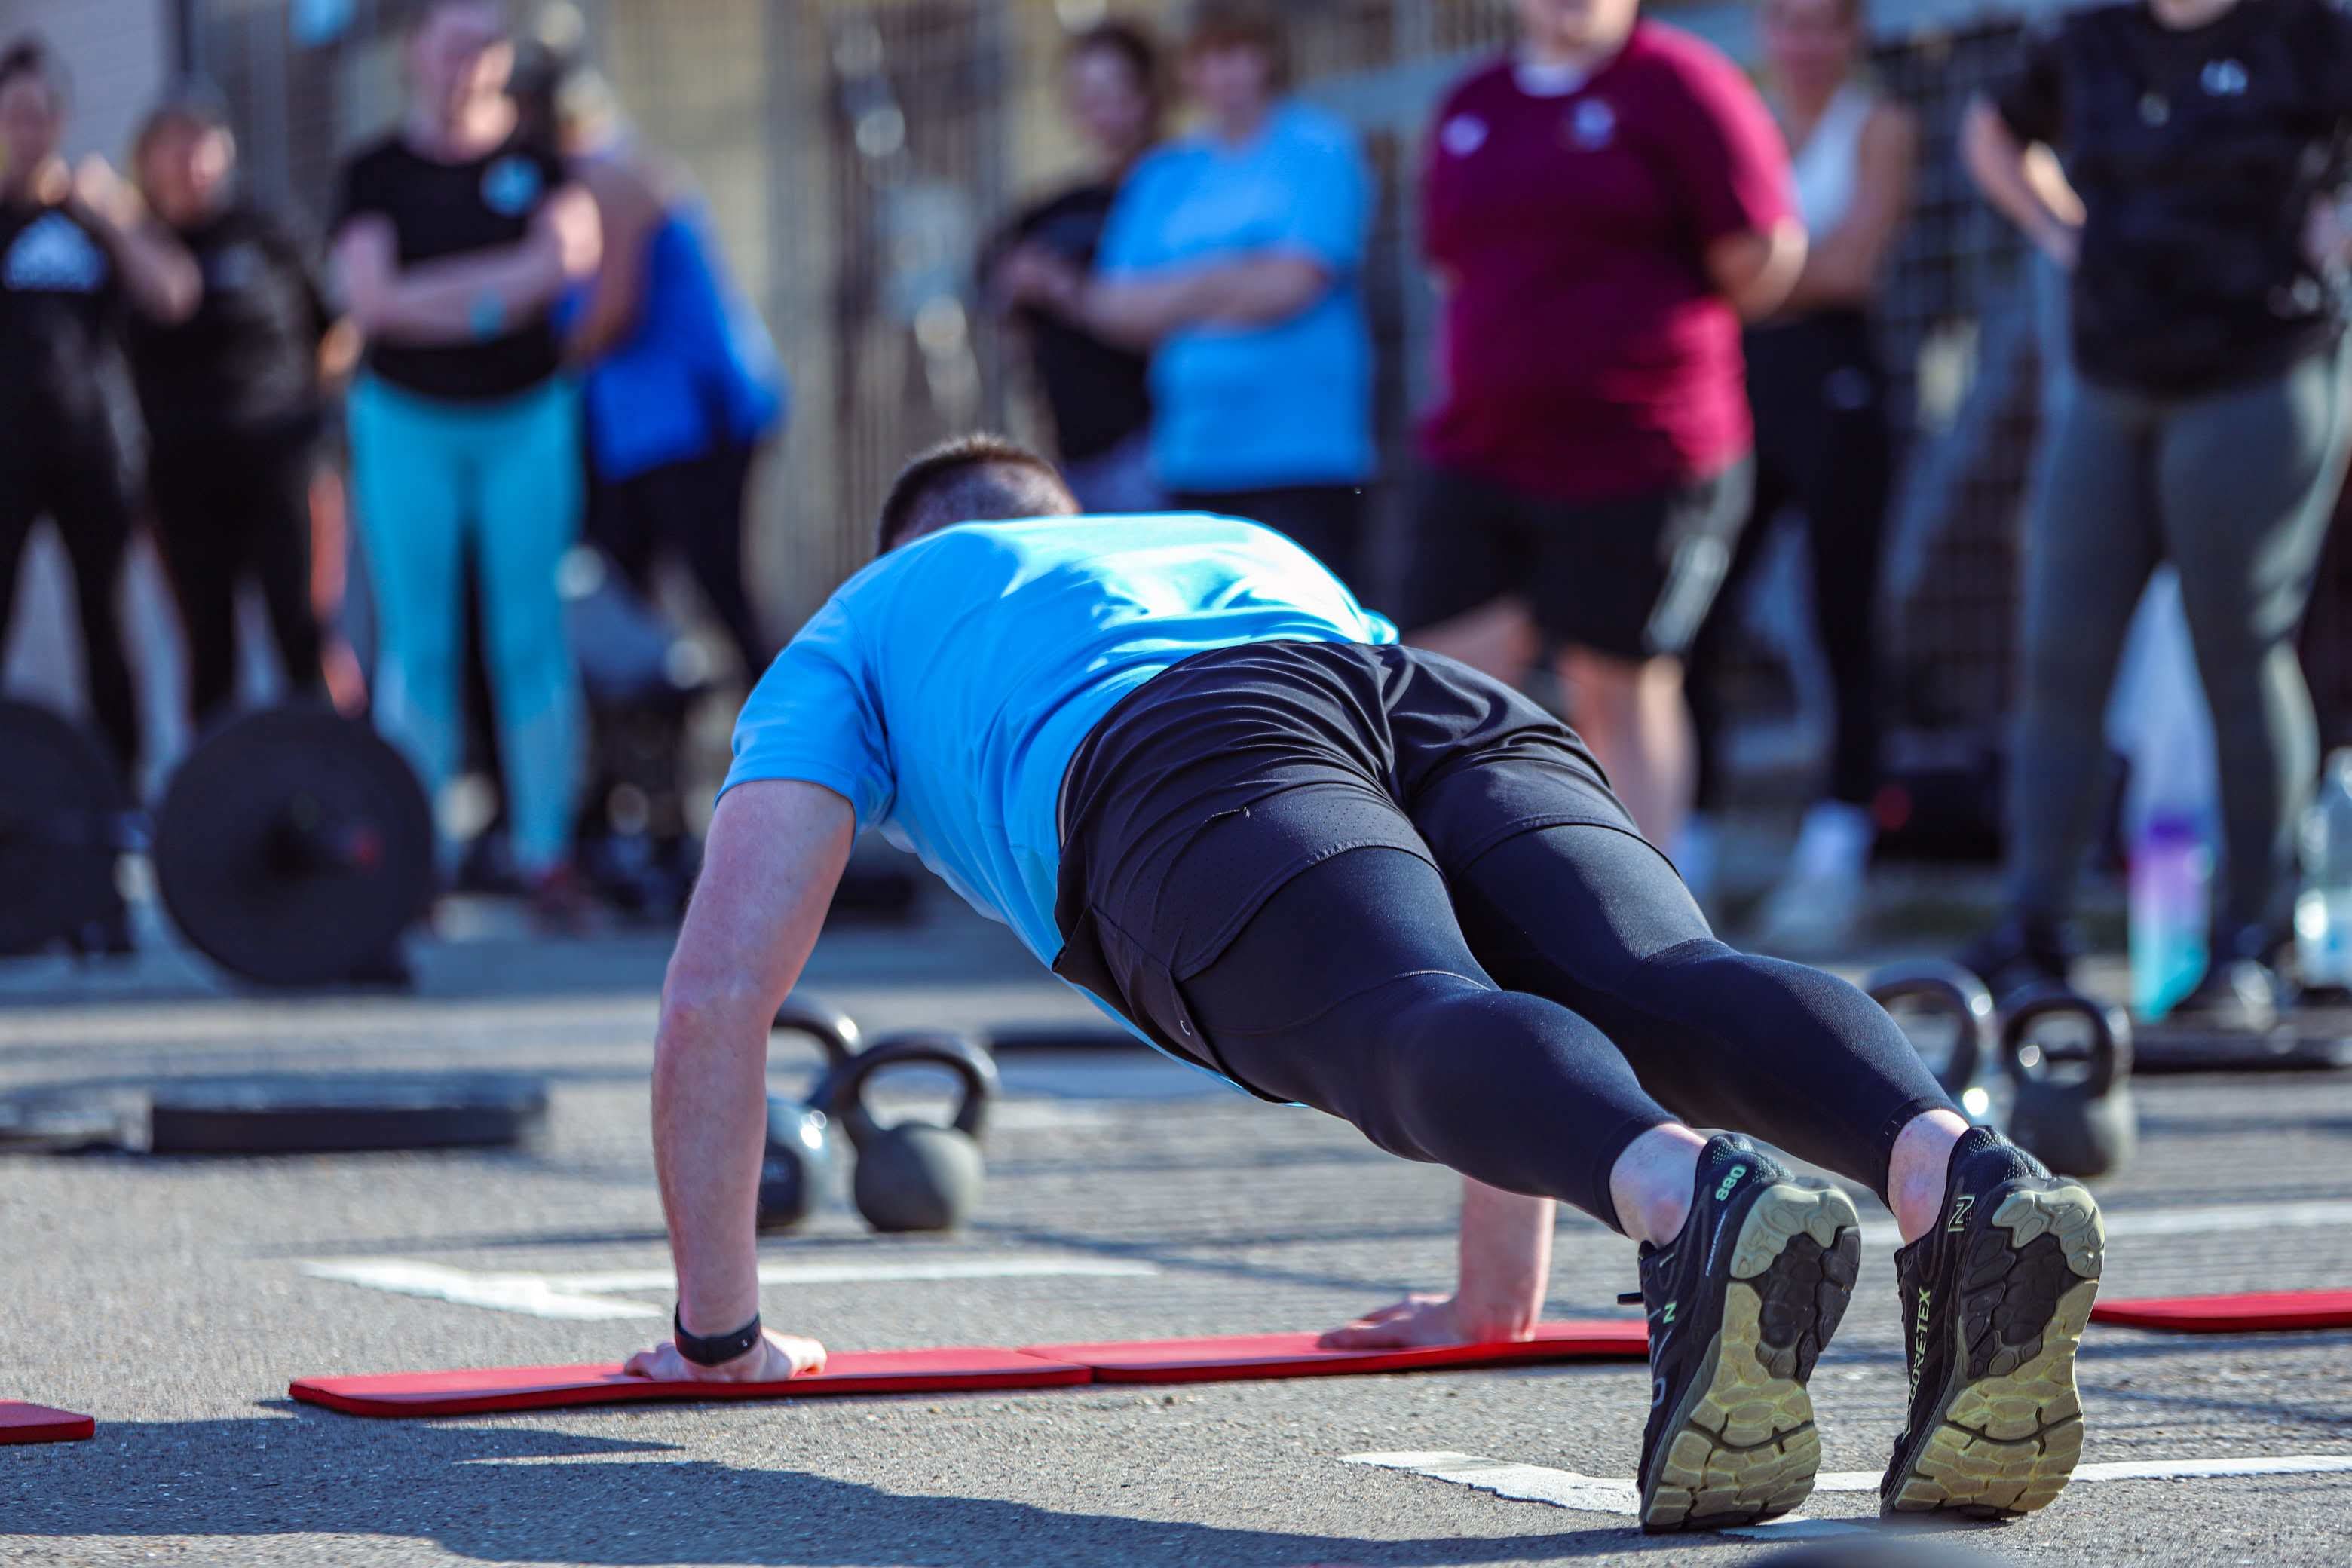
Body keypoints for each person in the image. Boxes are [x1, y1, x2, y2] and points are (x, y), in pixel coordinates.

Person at [621, 434, 2108, 1534]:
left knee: (1405, 1009)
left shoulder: (863, 618)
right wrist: (1490, 1293)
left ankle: (1684, 1191)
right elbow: (1474, 911)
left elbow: (718, 992)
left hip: (1180, 748)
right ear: (1064, 511)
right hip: (1434, 697)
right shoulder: (1213, 533)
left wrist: (716, 1338)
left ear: (901, 541)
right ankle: (1951, 1166)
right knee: (1665, 972)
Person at [1958, 0, 2352, 1023]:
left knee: (2241, 646)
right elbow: (1992, 131)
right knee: (2060, 651)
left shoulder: (2310, 30)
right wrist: (2054, 224)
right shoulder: (2093, 36)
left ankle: (2250, 941)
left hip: (2258, 373)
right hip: (2112, 376)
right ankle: (2031, 930)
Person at [1403, 0, 1805, 847]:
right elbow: (1448, 261)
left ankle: (1643, 922)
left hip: (1640, 449)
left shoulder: (1681, 83)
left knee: (1617, 681)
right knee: (1444, 682)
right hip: (1486, 444)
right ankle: (1469, 908)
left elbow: (1762, 257)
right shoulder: (1473, 103)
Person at [331, 0, 601, 923]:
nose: (467, 68)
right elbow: (373, 302)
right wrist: (496, 292)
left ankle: (544, 854)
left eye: (484, 50)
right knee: (422, 642)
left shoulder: (540, 156)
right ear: (415, 53)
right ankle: (419, 856)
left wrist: (436, 295)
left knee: (530, 637)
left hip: (526, 419)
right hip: (406, 421)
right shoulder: (375, 171)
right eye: (452, 48)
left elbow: (567, 262)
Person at [1684, 0, 1916, 946]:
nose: (1804, 44)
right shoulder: (1736, 111)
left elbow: (1853, 265)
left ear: (1852, 35)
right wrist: (1756, 274)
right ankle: (1686, 844)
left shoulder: (1882, 124)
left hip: (1836, 377)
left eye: (1823, 24)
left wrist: (1746, 274)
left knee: (1842, 616)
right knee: (1692, 611)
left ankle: (1837, 850)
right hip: (1733, 383)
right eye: (1787, 22)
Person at [1004, 5, 1375, 586]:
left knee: (1310, 657)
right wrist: (1239, 272)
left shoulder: (1318, 146)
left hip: (1303, 456)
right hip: (1192, 458)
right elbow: (1113, 306)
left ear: (1267, 59)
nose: (1224, 75)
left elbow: (1292, 284)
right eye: (1208, 59)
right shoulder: (1166, 174)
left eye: (1237, 55)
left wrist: (1176, 297)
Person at [527, 53, 786, 681]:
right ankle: (653, 742)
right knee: (620, 581)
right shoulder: (588, 179)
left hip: (697, 420)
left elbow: (612, 311)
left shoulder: (610, 176)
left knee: (720, 589)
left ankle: (803, 755)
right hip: (644, 433)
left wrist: (521, 363)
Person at [0, 37, 198, 784]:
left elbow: (175, 295)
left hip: (95, 451)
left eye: (41, 114)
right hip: (9, 452)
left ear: (63, 119)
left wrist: (111, 215)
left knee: (107, 626)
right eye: (15, 114)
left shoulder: (98, 215)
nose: (29, 128)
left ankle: (117, 794)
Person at [126, 88, 351, 733]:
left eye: (201, 143)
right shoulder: (136, 246)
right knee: (209, 650)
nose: (190, 162)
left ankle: (333, 783)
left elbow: (336, 330)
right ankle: (217, 807)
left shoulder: (267, 228)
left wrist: (316, 422)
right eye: (173, 146)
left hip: (282, 463)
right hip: (182, 477)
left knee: (305, 635)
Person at [985, 21, 1164, 513]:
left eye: (1112, 89)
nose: (1098, 108)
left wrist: (1061, 288)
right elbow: (995, 279)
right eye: (1084, 93)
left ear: (1147, 92)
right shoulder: (1054, 208)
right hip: (1070, 448)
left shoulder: (1176, 188)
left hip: (1155, 446)